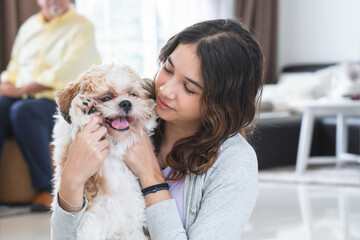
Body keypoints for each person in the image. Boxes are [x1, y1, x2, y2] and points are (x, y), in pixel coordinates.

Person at [51, 18, 263, 239]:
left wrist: (150, 177)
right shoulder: (130, 118)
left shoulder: (235, 162)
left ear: (220, 103)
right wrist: (71, 180)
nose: (165, 90)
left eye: (189, 88)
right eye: (168, 69)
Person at [0, 0, 101, 212]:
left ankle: (46, 188)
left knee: (24, 111)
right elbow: (14, 67)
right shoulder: (28, 27)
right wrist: (7, 83)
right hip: (21, 96)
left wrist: (20, 90)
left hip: (58, 100)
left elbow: (68, 70)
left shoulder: (82, 26)